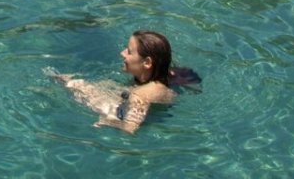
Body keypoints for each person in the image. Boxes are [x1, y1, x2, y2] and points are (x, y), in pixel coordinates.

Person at [50, 30, 200, 134]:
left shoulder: (140, 95)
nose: (122, 53)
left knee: (79, 86)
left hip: (141, 108)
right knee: (102, 85)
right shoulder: (166, 74)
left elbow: (129, 128)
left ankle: (64, 81)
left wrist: (107, 121)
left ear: (147, 63)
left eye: (129, 51)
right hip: (154, 101)